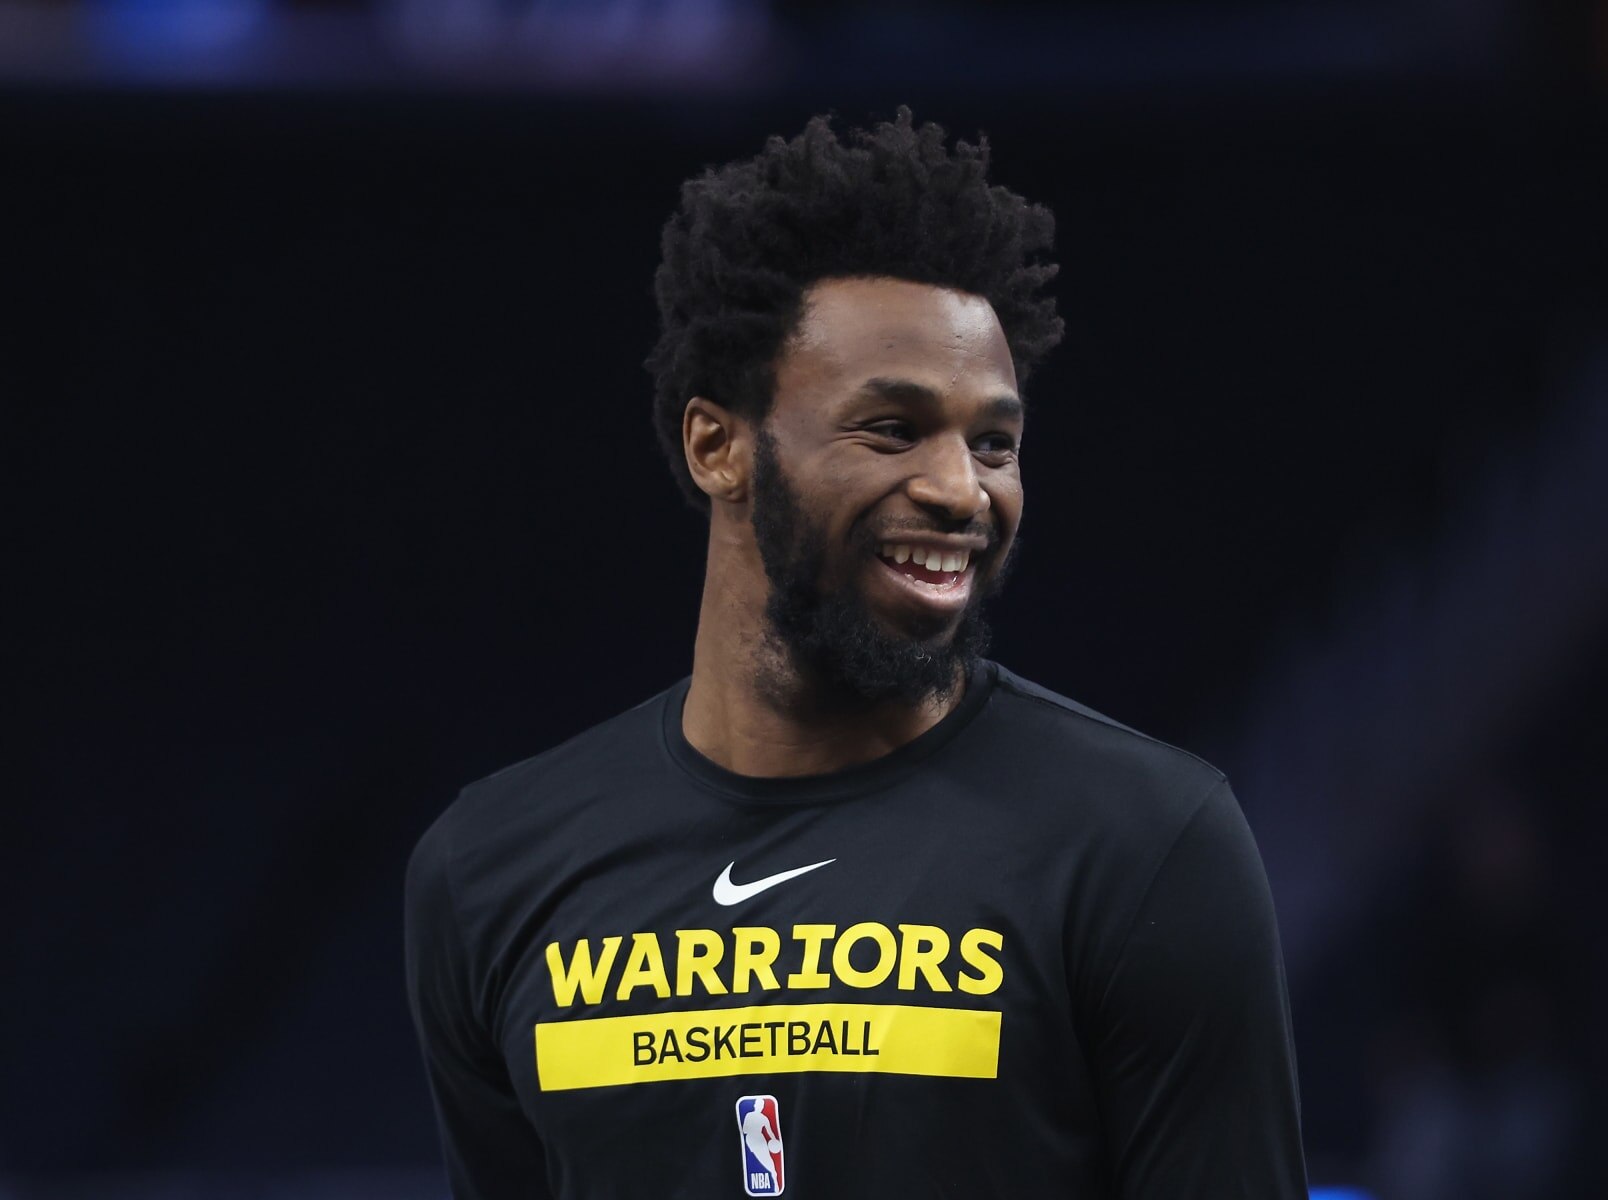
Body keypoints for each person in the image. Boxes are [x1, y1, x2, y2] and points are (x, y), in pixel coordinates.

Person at [404, 108, 1307, 1199]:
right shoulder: (491, 869)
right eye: (892, 428)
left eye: (994, 443)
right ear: (717, 445)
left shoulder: (1146, 845)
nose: (962, 490)